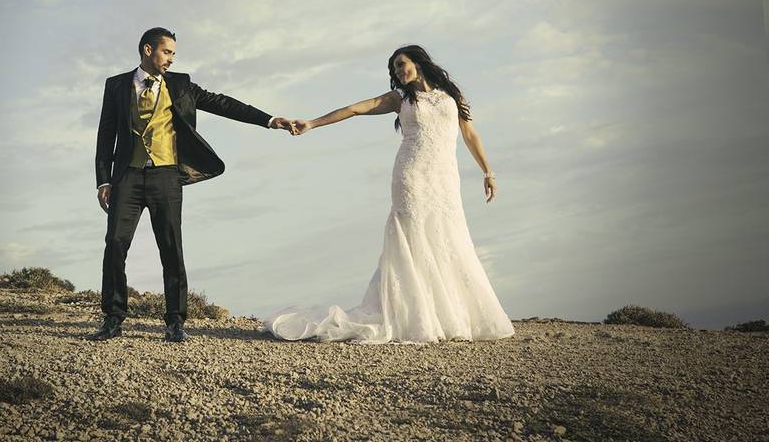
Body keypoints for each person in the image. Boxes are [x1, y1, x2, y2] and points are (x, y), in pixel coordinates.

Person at [261, 45, 516, 344]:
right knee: (414, 239)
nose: (398, 72)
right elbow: (356, 108)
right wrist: (313, 123)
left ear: (419, 63)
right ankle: (418, 317)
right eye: (394, 69)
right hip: (411, 176)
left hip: (445, 178)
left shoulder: (451, 94)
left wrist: (488, 172)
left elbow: (470, 134)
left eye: (401, 64)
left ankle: (449, 316)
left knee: (448, 237)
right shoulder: (400, 99)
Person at [91, 27, 293, 342]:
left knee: (171, 248)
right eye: (166, 52)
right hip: (126, 177)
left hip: (166, 176)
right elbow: (106, 134)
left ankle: (175, 322)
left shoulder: (181, 85)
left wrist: (267, 120)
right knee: (115, 244)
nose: (171, 59)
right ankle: (113, 319)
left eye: (173, 54)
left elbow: (222, 103)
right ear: (148, 50)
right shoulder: (116, 85)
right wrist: (103, 179)